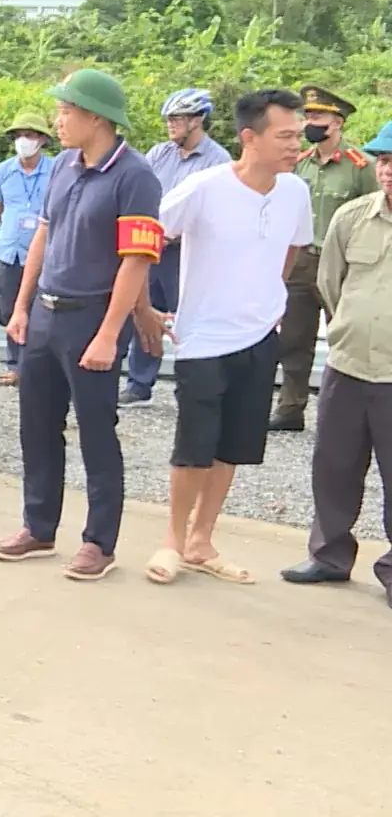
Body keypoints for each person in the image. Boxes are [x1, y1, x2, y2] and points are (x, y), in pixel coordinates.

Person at [0, 68, 166, 581]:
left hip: (94, 317)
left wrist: (111, 334)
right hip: (46, 312)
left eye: (67, 111)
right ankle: (39, 526)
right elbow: (44, 236)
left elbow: (136, 261)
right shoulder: (65, 165)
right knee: (37, 425)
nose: (58, 120)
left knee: (95, 431)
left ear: (97, 117)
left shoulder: (135, 177)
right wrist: (22, 306)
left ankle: (98, 542)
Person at [144, 88, 311, 585]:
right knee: (193, 445)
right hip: (203, 337)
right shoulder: (204, 187)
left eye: (298, 135)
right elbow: (146, 234)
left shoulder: (295, 192)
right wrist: (143, 308)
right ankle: (173, 541)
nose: (294, 144)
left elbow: (292, 251)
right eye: (284, 135)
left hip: (260, 336)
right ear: (249, 138)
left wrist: (267, 301)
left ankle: (202, 540)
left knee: (232, 445)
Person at [282, 120, 392, 596]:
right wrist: (351, 325)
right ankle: (328, 554)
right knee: (334, 467)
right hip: (347, 367)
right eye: (384, 161)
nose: (387, 171)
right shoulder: (351, 217)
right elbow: (330, 285)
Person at [119, 88, 231, 406]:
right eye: (169, 119)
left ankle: (190, 386)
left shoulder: (218, 160)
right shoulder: (159, 154)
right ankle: (139, 384)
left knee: (190, 318)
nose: (171, 125)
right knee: (142, 310)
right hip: (151, 247)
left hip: (188, 252)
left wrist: (177, 233)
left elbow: (214, 211)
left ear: (197, 121)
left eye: (178, 119)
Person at [272, 86, 375, 432]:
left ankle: (344, 413)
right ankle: (290, 408)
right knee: (294, 338)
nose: (310, 123)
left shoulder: (361, 167)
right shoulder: (299, 164)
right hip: (301, 260)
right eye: (308, 117)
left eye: (318, 117)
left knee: (346, 336)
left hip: (342, 264)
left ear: (338, 122)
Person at [0, 111, 53, 386]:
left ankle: (35, 366)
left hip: (42, 253)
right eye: (19, 135)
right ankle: (14, 364)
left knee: (39, 311)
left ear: (41, 140)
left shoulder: (55, 170)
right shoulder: (3, 171)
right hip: (9, 250)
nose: (24, 140)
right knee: (10, 308)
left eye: (30, 135)